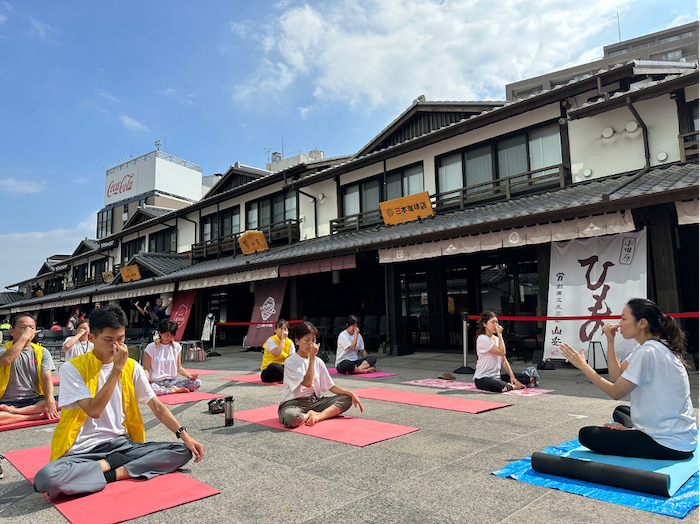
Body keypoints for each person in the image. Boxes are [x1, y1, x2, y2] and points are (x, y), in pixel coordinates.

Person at [33, 305, 203, 499]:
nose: (116, 346)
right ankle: (115, 467)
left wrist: (185, 436)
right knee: (46, 478)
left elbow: (156, 406)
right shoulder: (73, 369)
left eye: (121, 339)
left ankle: (111, 472)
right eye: (108, 340)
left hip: (122, 445)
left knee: (182, 451)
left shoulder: (132, 367)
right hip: (82, 451)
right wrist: (116, 370)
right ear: (91, 338)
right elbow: (94, 410)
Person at [560, 298, 697, 460]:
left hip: (667, 443)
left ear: (642, 323)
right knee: (621, 411)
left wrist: (583, 366)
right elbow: (616, 375)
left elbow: (615, 391)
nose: (619, 323)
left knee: (586, 435)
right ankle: (635, 432)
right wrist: (610, 341)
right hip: (683, 436)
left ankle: (636, 434)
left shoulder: (647, 352)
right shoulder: (655, 345)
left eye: (624, 318)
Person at [279, 321, 363, 428]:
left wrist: (351, 394)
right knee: (291, 418)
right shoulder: (290, 362)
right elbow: (307, 383)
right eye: (307, 340)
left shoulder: (318, 361)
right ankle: (307, 415)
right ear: (297, 341)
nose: (311, 344)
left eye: (313, 340)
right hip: (293, 403)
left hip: (314, 401)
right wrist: (312, 358)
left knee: (346, 399)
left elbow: (330, 386)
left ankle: (318, 416)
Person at [0, 314, 58, 425]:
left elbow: (47, 379)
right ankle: (31, 417)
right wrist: (24, 337)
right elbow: (6, 360)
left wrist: (50, 399)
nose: (28, 331)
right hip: (5, 401)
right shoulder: (3, 348)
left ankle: (15, 413)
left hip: (33, 400)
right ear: (12, 331)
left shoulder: (41, 351)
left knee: (56, 403)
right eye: (23, 328)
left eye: (31, 328)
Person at [473, 311, 535, 392]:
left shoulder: (497, 339)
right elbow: (502, 352)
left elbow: (504, 359)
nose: (495, 325)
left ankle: (511, 384)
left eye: (496, 322)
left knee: (523, 377)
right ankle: (512, 386)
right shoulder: (482, 338)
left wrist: (512, 376)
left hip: (496, 376)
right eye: (492, 323)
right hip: (483, 378)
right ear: (485, 324)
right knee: (498, 385)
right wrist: (500, 334)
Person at [143, 319, 201, 396]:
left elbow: (179, 368)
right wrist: (147, 378)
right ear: (160, 333)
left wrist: (189, 375)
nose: (169, 337)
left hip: (171, 381)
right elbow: (146, 368)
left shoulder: (176, 347)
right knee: (147, 388)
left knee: (197, 382)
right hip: (155, 382)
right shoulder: (150, 348)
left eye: (172, 335)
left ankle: (166, 390)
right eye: (167, 335)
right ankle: (171, 390)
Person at [260, 319, 296, 383]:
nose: (283, 331)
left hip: (283, 367)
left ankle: (287, 377)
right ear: (275, 330)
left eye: (285, 329)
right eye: (281, 328)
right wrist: (283, 339)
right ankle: (288, 378)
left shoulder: (290, 342)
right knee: (273, 366)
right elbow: (276, 353)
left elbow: (292, 358)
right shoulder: (271, 340)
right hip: (269, 371)